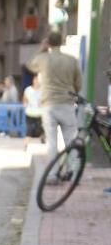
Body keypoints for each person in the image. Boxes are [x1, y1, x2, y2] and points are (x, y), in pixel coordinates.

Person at [28, 31, 84, 165]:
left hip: (49, 104)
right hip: (67, 103)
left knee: (52, 142)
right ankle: (73, 170)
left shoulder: (43, 58)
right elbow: (78, 84)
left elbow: (30, 65)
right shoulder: (71, 60)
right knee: (71, 139)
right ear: (62, 42)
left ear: (49, 43)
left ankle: (52, 174)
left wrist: (41, 49)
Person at [23, 74, 43, 138]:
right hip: (30, 113)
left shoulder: (42, 91)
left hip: (40, 113)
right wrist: (25, 105)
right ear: (33, 80)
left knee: (40, 129)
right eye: (35, 79)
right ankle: (26, 146)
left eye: (38, 80)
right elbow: (24, 100)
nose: (37, 81)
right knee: (29, 130)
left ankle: (43, 141)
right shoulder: (28, 90)